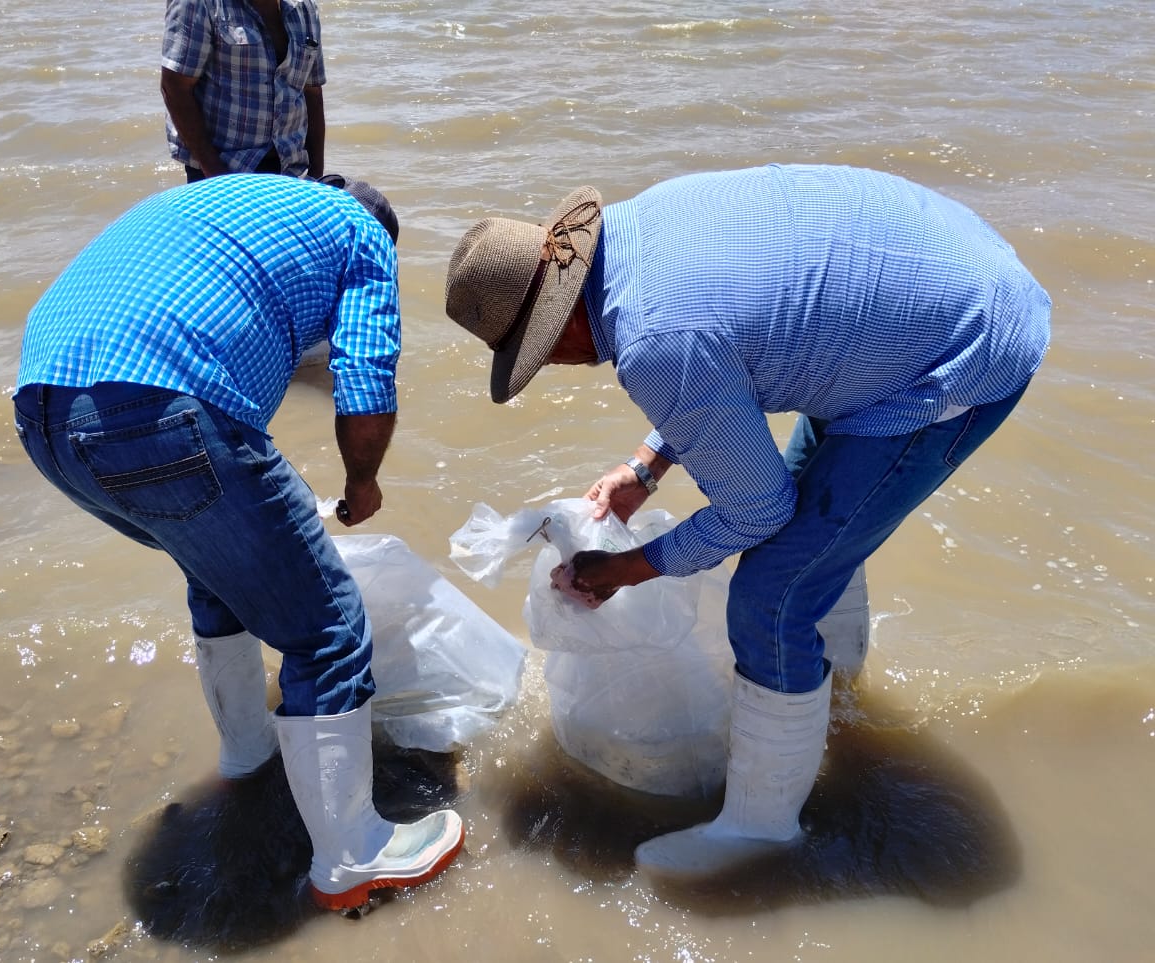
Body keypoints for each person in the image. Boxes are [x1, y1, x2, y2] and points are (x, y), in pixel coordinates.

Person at [444, 164, 1051, 878]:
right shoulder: (638, 235)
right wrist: (646, 468)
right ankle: (834, 688)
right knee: (820, 520)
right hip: (950, 277)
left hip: (960, 351)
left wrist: (626, 570)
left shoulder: (650, 339)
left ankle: (762, 829)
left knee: (772, 596)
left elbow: (758, 506)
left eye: (543, 350)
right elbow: (729, 354)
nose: (559, 364)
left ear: (566, 314)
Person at [13, 173, 461, 912]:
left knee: (215, 572)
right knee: (329, 630)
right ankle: (351, 855)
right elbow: (366, 383)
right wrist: (362, 484)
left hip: (42, 411)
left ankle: (248, 755)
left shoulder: (242, 201)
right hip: (156, 399)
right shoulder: (363, 238)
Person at [161, 0, 326, 182]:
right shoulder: (200, 4)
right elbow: (175, 88)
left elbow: (312, 92)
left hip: (294, 173)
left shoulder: (304, 9)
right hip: (221, 171)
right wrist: (217, 176)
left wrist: (316, 175)